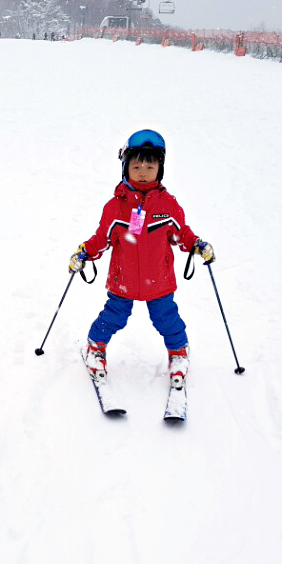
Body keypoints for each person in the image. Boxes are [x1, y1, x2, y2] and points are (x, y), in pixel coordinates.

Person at [68, 129, 215, 391]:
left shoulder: (168, 205)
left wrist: (196, 245)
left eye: (150, 165)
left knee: (167, 318)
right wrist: (84, 252)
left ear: (160, 168)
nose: (143, 171)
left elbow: (182, 234)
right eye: (136, 166)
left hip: (158, 279)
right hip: (123, 279)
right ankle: (95, 347)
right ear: (125, 168)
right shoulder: (115, 207)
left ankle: (178, 352)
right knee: (113, 316)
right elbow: (102, 238)